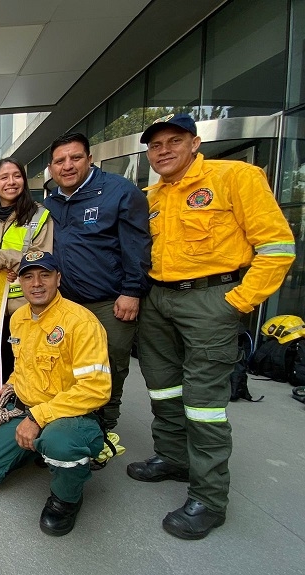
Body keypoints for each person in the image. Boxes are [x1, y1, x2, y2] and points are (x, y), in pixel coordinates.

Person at [128, 113, 296, 540]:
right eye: (156, 145)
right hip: (158, 298)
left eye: (174, 141)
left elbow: (277, 246)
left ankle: (209, 497)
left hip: (211, 298)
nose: (163, 151)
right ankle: (172, 458)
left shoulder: (236, 176)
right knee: (162, 386)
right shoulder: (150, 196)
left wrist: (237, 302)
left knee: (204, 401)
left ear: (195, 143)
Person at [0, 251, 111, 536]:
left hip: (71, 416)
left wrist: (38, 417)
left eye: (45, 275)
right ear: (20, 282)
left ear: (58, 279)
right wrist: (11, 384)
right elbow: (24, 364)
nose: (37, 283)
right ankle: (37, 449)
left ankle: (66, 499)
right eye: (28, 276)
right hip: (27, 407)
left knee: (61, 443)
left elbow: (96, 389)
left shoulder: (82, 322)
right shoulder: (18, 317)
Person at [45, 133, 151, 432]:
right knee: (67, 366)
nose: (67, 166)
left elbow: (137, 245)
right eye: (60, 161)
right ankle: (70, 422)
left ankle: (102, 429)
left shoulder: (118, 191)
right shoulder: (51, 203)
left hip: (110, 302)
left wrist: (131, 291)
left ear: (90, 159)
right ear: (52, 168)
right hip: (66, 303)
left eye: (75, 158)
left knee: (110, 367)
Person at [0, 158, 53, 406]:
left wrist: (7, 259)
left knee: (24, 361)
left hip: (25, 304)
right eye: (4, 177)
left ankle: (19, 410)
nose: (11, 182)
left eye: (16, 175)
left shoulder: (39, 216)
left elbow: (42, 260)